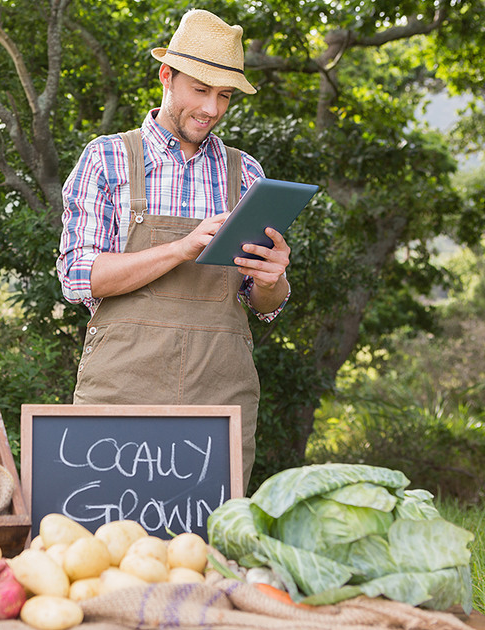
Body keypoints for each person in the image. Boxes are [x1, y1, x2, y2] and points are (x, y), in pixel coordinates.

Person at [56, 9, 292, 491]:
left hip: (219, 394)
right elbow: (80, 276)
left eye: (224, 95)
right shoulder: (106, 158)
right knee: (106, 545)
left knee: (209, 548)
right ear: (167, 76)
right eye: (200, 89)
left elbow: (261, 303)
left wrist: (274, 279)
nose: (212, 108)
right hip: (121, 390)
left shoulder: (245, 174)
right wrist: (183, 248)